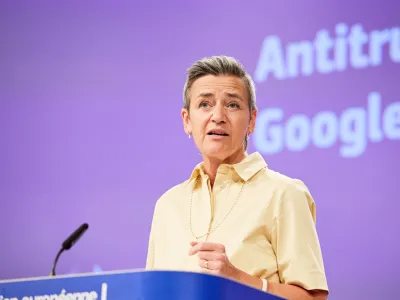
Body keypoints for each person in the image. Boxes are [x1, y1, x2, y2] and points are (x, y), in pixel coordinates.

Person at [145, 55, 329, 299]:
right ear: (187, 121)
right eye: (204, 104)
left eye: (232, 105)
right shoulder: (168, 205)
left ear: (252, 120)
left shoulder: (284, 193)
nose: (218, 116)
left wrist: (239, 279)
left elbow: (313, 297)